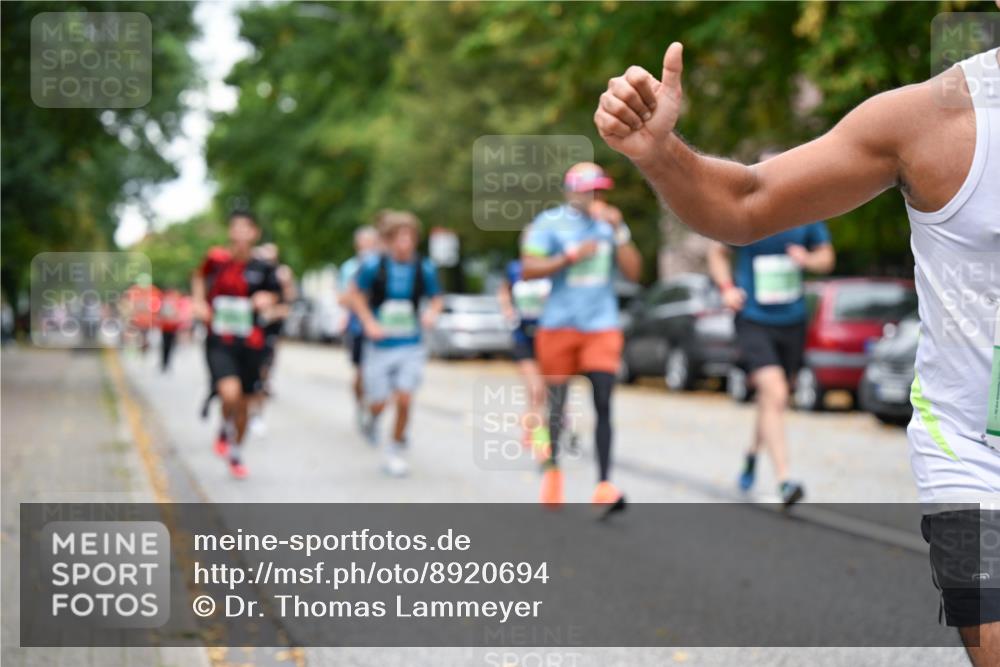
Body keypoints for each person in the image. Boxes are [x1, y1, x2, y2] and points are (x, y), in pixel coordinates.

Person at [595, 41, 999, 664]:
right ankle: (774, 468)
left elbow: (818, 253)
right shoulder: (933, 121)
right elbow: (747, 202)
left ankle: (766, 459)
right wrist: (661, 153)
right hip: (973, 455)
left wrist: (809, 260)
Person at [706, 160, 835, 505]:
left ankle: (751, 453)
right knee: (775, 393)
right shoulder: (749, 213)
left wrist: (807, 260)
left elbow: (827, 257)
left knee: (772, 400)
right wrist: (726, 288)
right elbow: (716, 253)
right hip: (753, 318)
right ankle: (784, 479)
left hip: (792, 320)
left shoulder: (805, 214)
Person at [521, 162, 642, 515]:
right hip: (558, 325)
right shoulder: (549, 224)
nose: (594, 197)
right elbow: (528, 268)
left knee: (604, 401)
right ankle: (553, 472)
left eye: (599, 190)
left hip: (600, 325)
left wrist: (620, 232)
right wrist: (570, 256)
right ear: (570, 192)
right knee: (556, 406)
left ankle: (604, 484)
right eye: (587, 190)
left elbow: (634, 273)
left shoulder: (609, 227)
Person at [347, 211, 443, 477]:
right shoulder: (372, 266)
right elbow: (354, 295)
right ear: (389, 241)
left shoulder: (424, 267)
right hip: (379, 346)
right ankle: (372, 418)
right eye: (399, 238)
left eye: (409, 237)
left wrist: (432, 313)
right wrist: (368, 322)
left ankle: (393, 451)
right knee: (379, 402)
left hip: (410, 344)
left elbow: (436, 298)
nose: (405, 243)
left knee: (404, 398)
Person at [191, 211, 280, 479]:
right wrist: (198, 302)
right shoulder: (216, 259)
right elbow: (197, 276)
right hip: (220, 340)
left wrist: (269, 299)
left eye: (246, 228)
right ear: (230, 232)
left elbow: (279, 295)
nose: (241, 233)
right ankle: (225, 426)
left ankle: (235, 449)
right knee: (229, 393)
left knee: (244, 404)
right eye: (236, 228)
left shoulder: (264, 267)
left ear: (255, 233)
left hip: (252, 342)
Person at [497, 235, 552, 459]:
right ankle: (541, 441)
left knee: (544, 392)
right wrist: (507, 309)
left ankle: (533, 427)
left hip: (547, 336)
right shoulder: (514, 269)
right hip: (523, 337)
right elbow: (503, 291)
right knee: (536, 389)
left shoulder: (550, 269)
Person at [248, 242, 297, 436]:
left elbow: (288, 304)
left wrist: (273, 311)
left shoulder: (279, 277)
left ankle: (257, 414)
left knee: (263, 374)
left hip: (269, 334)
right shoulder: (251, 275)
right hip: (248, 334)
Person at [339, 223, 382, 431]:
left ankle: (376, 408)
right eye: (364, 243)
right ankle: (360, 404)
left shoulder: (383, 266)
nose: (368, 247)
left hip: (383, 329)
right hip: (358, 328)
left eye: (371, 243)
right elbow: (343, 299)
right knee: (362, 372)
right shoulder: (350, 268)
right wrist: (357, 296)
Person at [158, 288, 183, 372]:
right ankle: (165, 363)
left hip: (171, 327)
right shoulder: (166, 300)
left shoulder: (172, 301)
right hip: (166, 327)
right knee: (166, 346)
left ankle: (166, 363)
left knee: (169, 346)